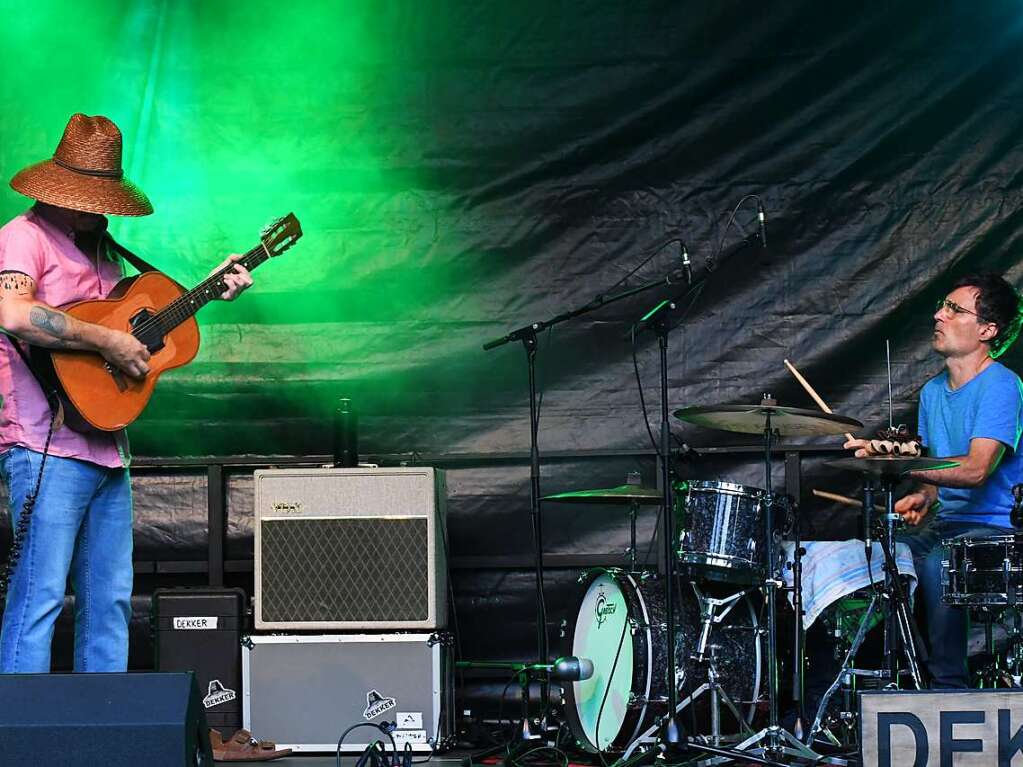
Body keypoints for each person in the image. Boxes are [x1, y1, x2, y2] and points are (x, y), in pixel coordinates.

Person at [0, 113, 253, 673]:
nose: (100, 209)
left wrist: (212, 288)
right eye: (93, 197)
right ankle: (20, 743)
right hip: (46, 449)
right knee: (39, 599)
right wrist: (105, 341)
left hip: (107, 449)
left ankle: (104, 731)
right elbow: (12, 313)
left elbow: (138, 324)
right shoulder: (23, 237)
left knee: (109, 600)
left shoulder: (106, 253)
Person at [845, 273, 1023, 688]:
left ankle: (949, 690)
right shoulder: (931, 392)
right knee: (878, 562)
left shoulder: (1002, 385)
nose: (938, 314)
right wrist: (922, 497)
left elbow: (977, 469)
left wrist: (894, 461)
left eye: (954, 309)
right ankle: (879, 685)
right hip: (946, 525)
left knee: (936, 565)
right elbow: (935, 476)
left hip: (996, 530)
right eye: (942, 306)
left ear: (986, 330)